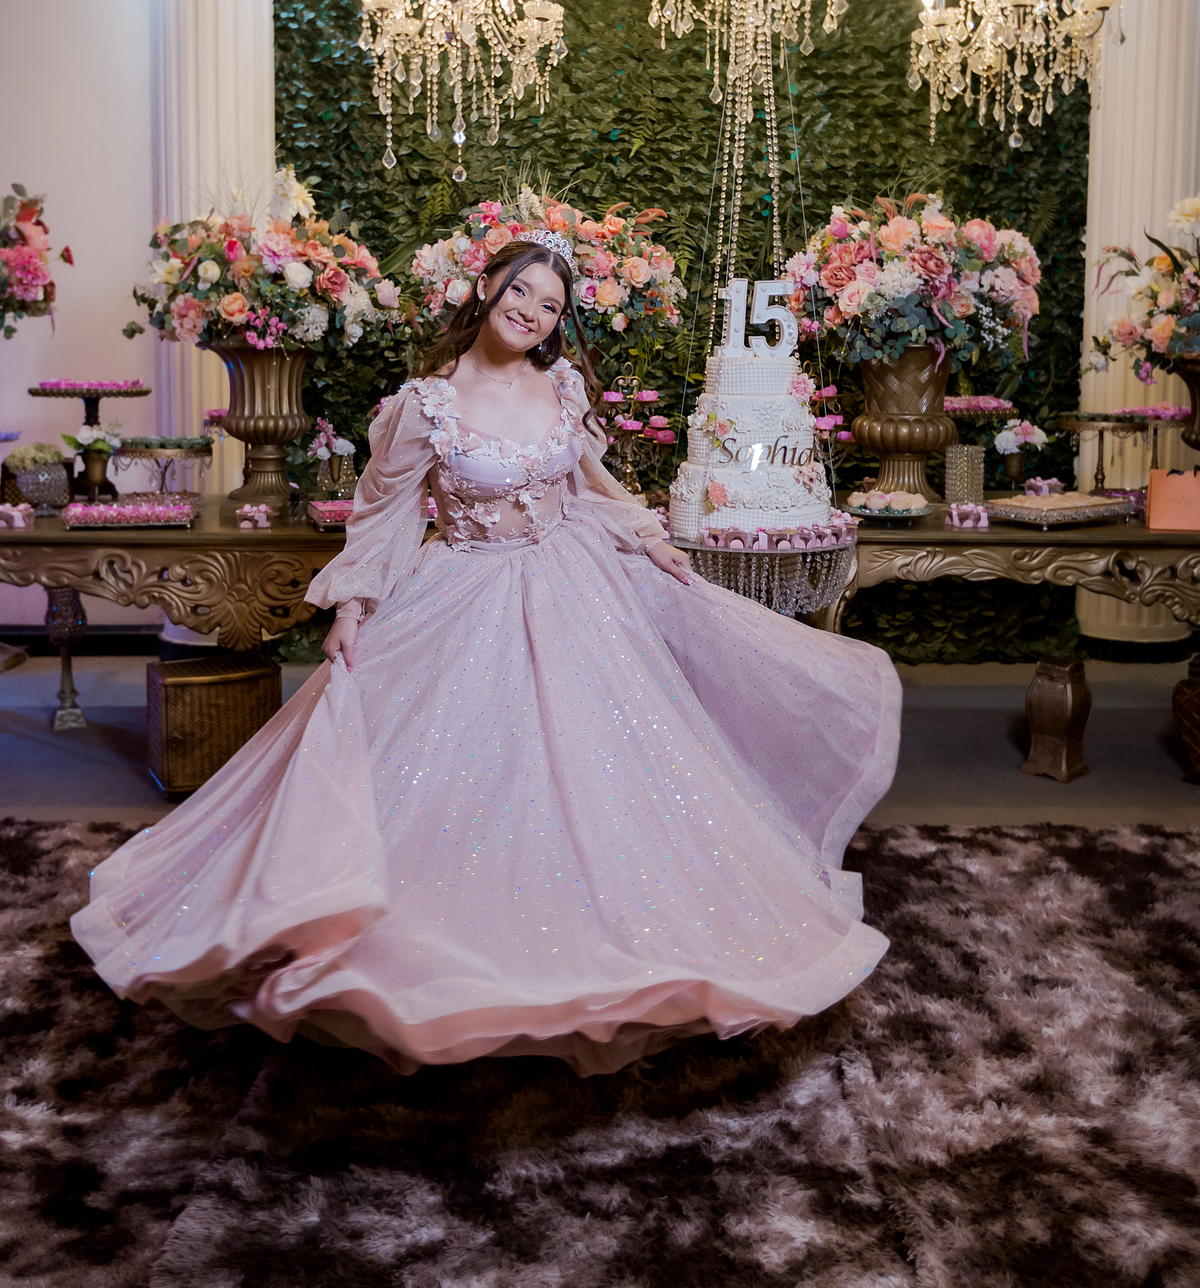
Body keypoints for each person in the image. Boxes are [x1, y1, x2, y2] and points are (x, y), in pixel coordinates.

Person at [71, 233, 901, 1076]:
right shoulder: (424, 406)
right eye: (521, 291)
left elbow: (589, 484)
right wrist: (353, 605)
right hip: (463, 587)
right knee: (455, 772)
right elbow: (384, 514)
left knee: (605, 765)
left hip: (573, 584)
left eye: (551, 305)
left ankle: (599, 928)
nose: (532, 312)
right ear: (486, 286)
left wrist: (648, 538)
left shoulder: (561, 384)